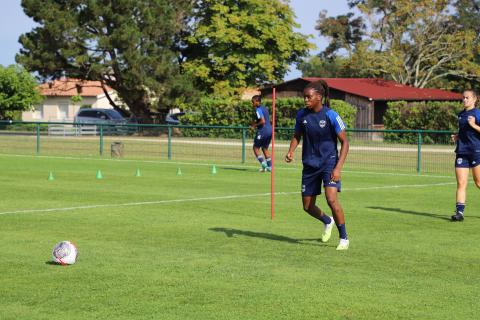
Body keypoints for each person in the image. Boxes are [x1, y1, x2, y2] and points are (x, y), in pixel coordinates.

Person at [285, 80, 350, 250]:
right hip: (309, 165)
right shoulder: (301, 115)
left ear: (319, 97)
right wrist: (291, 151)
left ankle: (344, 238)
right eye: (304, 97)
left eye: (309, 97)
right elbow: (297, 135)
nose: (305, 100)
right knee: (307, 206)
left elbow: (345, 143)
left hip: (329, 163)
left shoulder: (331, 115)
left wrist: (338, 168)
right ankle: (327, 221)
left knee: (331, 199)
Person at [451, 90, 480, 221]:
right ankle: (459, 213)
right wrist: (458, 136)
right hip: (462, 151)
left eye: (467, 98)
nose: (464, 100)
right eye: (463, 98)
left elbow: (474, 129)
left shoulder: (477, 113)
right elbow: (464, 132)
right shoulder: (461, 114)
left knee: (478, 182)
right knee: (461, 183)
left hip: (476, 152)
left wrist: (473, 125)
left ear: (474, 99)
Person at [250, 95, 272, 172]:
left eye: (253, 102)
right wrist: (256, 122)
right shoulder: (265, 108)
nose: (252, 104)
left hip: (263, 130)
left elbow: (263, 121)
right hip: (270, 130)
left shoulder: (258, 109)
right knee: (264, 148)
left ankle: (264, 165)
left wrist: (254, 126)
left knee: (255, 148)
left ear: (257, 102)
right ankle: (270, 167)